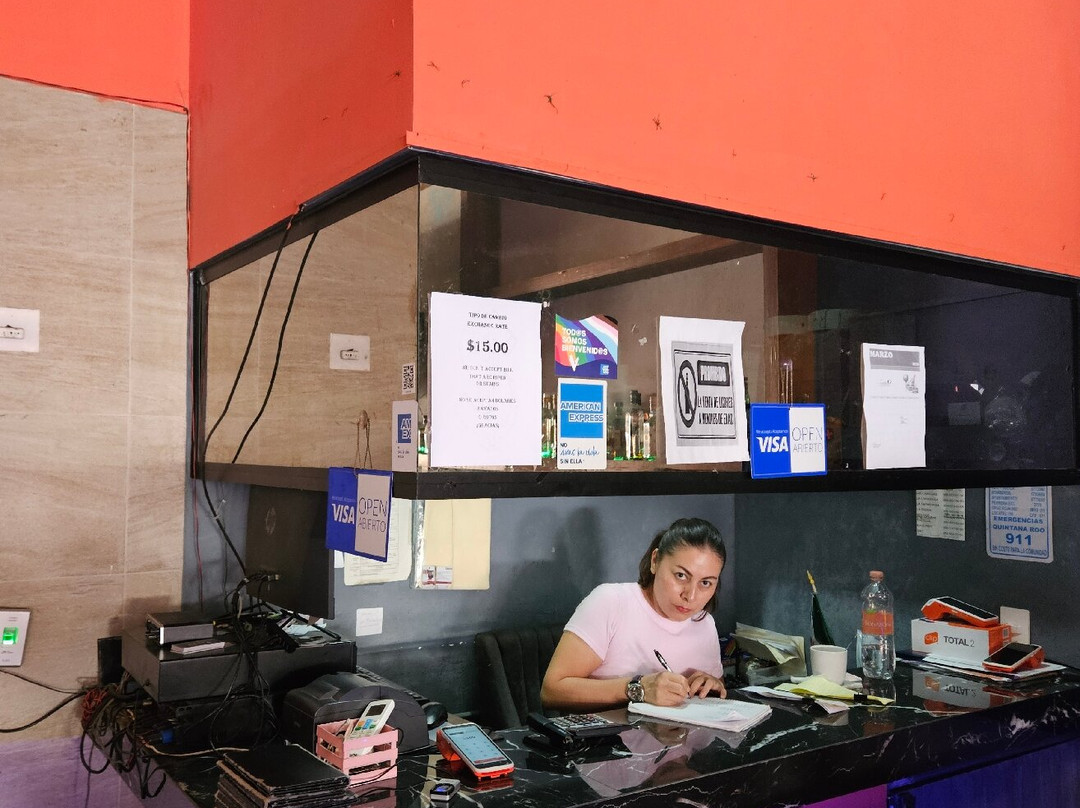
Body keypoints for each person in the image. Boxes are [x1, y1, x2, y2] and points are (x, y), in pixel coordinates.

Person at [541, 517, 728, 711]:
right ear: (655, 561)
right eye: (681, 575)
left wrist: (710, 686)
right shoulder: (610, 602)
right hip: (608, 731)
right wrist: (638, 688)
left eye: (705, 583)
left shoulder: (705, 624)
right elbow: (551, 691)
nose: (690, 596)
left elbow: (715, 699)